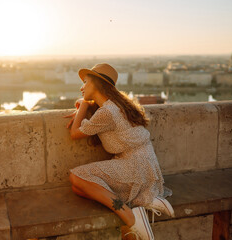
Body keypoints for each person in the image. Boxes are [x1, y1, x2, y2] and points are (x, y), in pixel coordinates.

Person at [64, 63, 174, 240]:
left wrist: (83, 105)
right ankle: (148, 201)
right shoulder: (115, 105)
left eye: (85, 82)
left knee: (76, 177)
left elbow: (74, 133)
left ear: (96, 84)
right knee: (79, 188)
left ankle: (130, 216)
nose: (81, 87)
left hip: (135, 165)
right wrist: (83, 108)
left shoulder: (107, 112)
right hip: (145, 164)